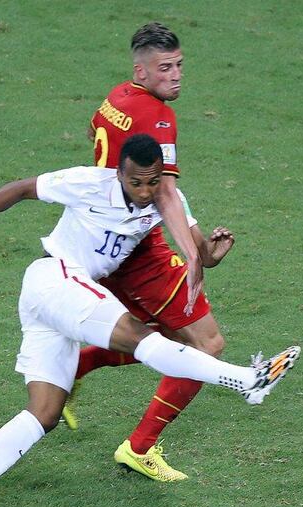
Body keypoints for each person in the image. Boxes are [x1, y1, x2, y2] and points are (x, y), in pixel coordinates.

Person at [0, 134, 301, 507]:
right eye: (135, 183)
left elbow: (203, 255)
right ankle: (247, 379)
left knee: (45, 413)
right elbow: (22, 189)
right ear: (119, 173)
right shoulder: (88, 182)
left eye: (153, 181)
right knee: (142, 338)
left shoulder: (169, 201)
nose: (145, 191)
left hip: (57, 300)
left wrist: (215, 250)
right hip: (55, 279)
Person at [62, 22, 227, 482]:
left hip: (103, 246)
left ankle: (73, 367)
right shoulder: (158, 117)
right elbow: (166, 193)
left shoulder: (115, 99)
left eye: (179, 66)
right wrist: (195, 255)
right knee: (207, 346)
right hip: (139, 252)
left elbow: (156, 185)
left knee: (170, 340)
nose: (176, 76)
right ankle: (140, 448)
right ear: (142, 69)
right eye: (165, 68)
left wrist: (196, 242)